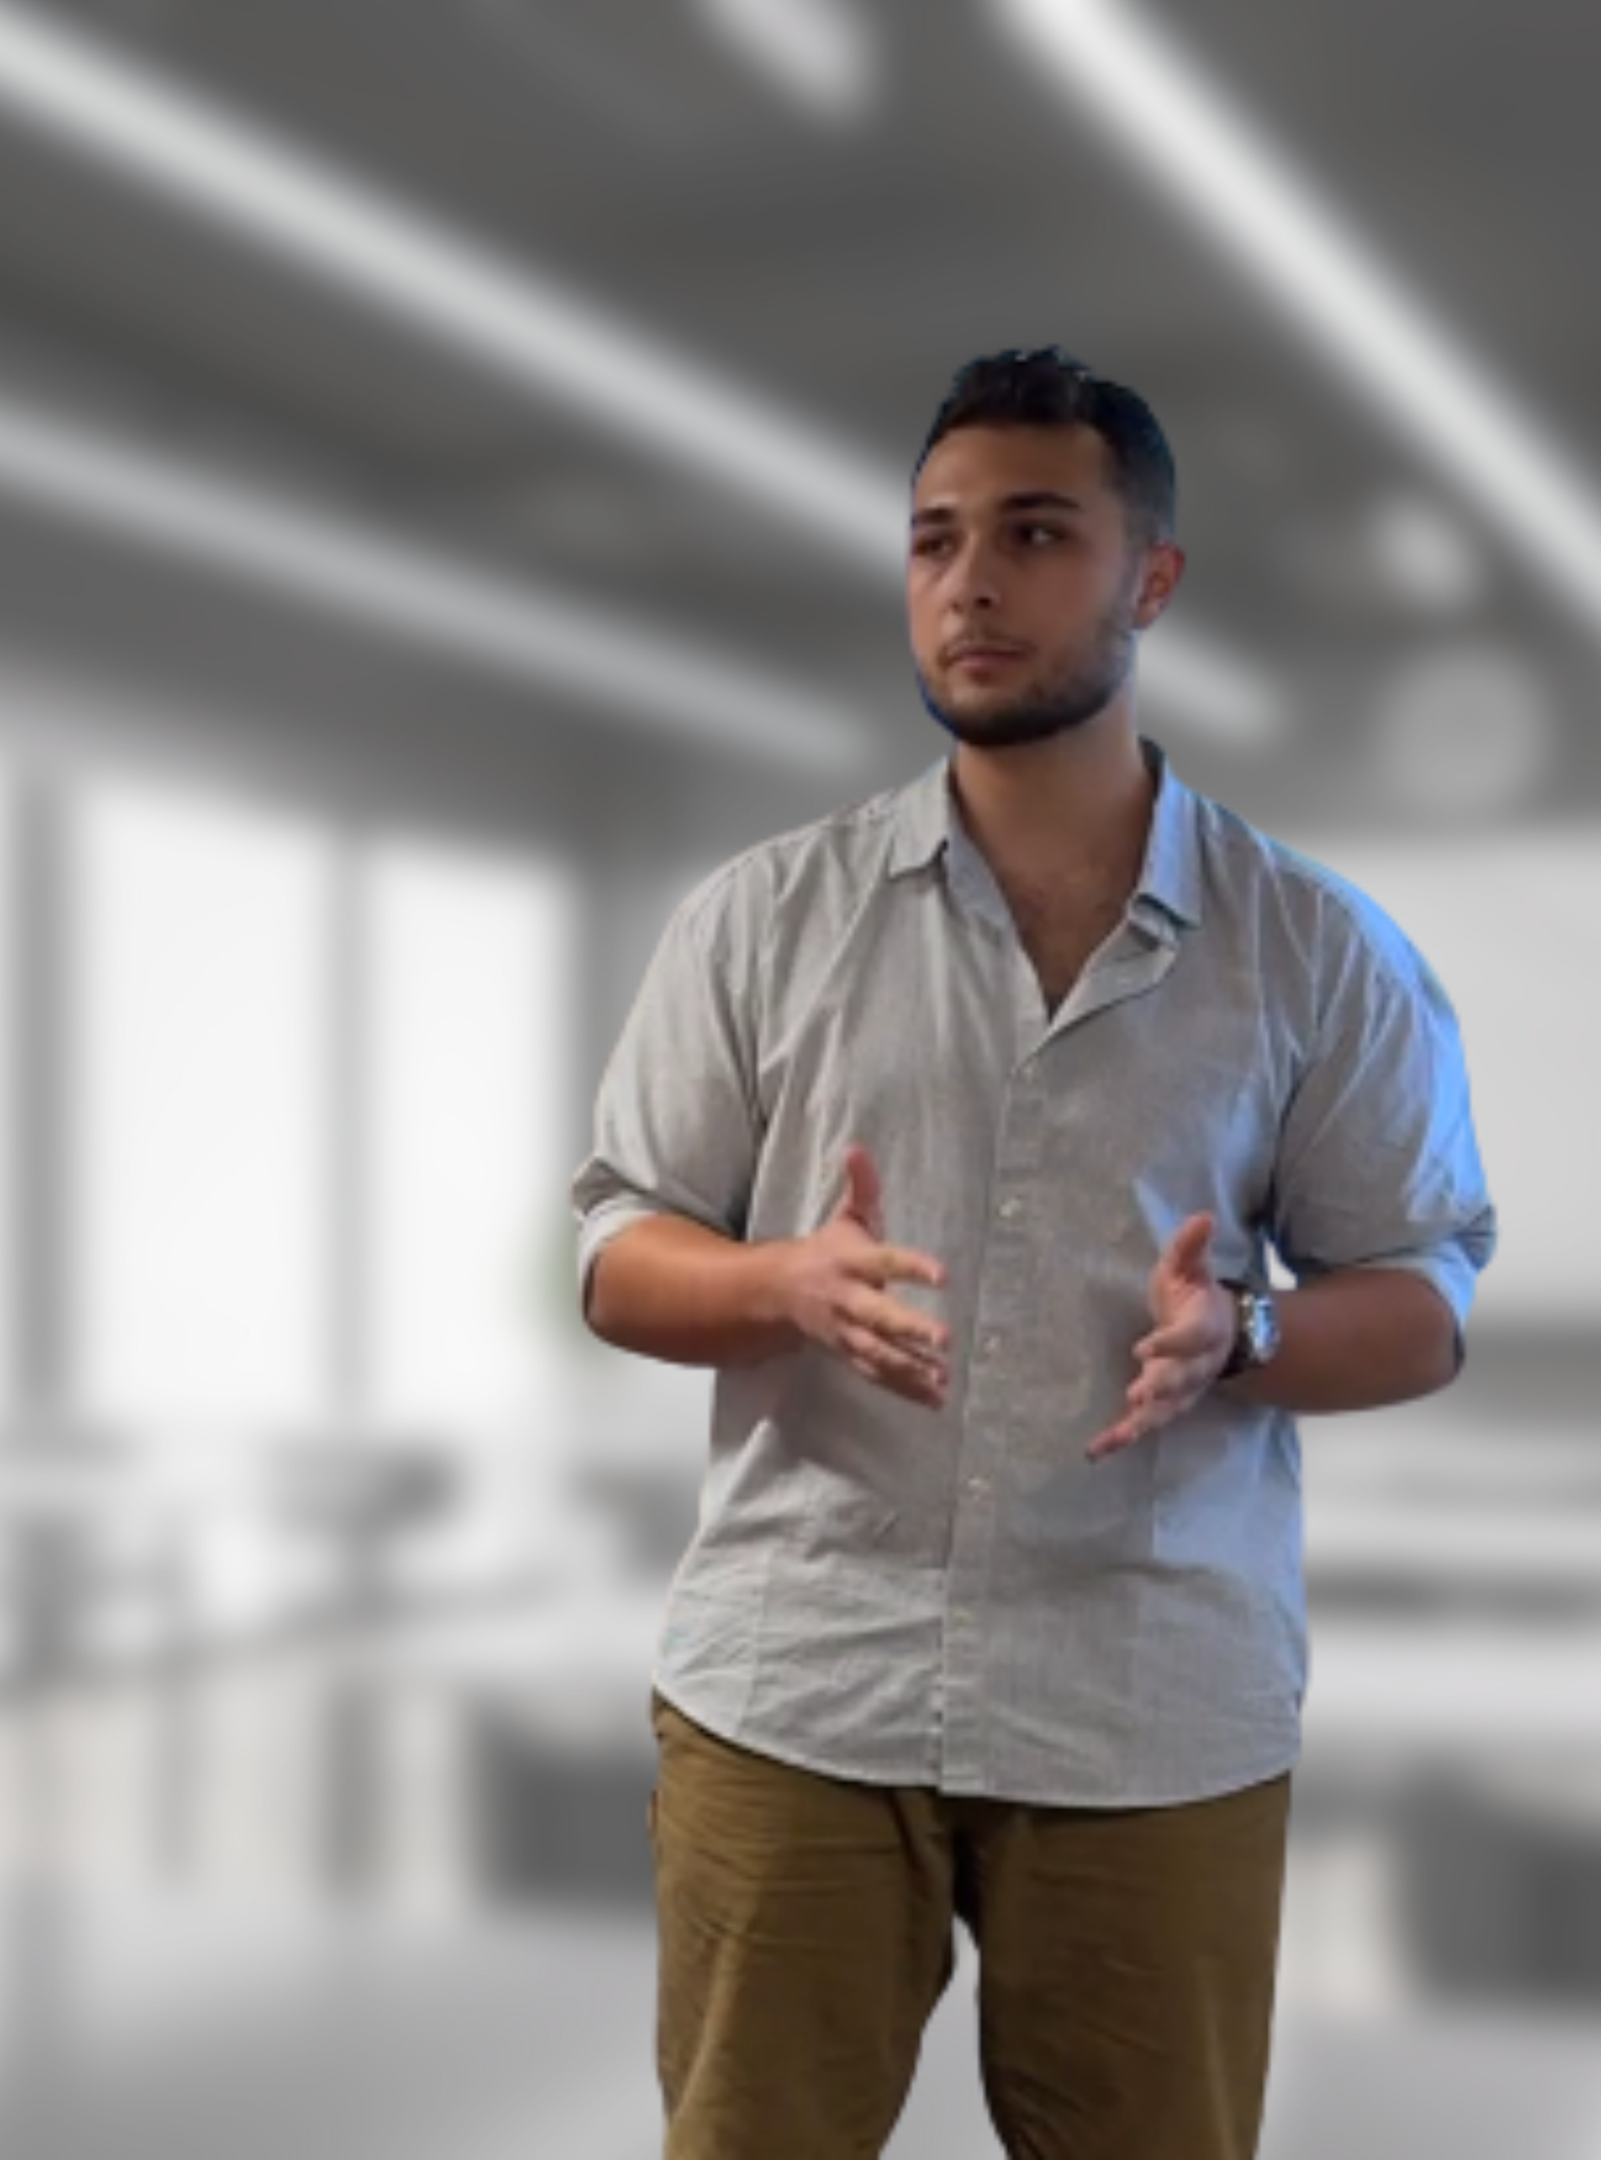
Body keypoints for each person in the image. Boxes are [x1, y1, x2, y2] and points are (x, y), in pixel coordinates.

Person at [569, 345, 1496, 2160]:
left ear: (1154, 578)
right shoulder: (763, 918)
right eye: (933, 541)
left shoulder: (1314, 951)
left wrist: (1244, 1337)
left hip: (1153, 1709)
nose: (970, 583)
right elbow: (615, 1249)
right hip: (800, 1687)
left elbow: (1425, 1299)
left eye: (1036, 534)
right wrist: (779, 1284)